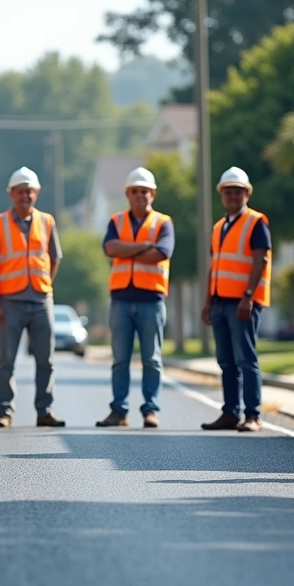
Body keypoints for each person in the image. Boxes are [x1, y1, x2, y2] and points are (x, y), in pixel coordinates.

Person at [0, 167, 65, 428]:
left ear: (37, 193)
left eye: (29, 191)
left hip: (41, 299)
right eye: (20, 191)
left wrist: (45, 284)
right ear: (11, 193)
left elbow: (54, 257)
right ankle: (5, 412)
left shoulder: (47, 221)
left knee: (46, 360)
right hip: (9, 302)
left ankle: (45, 411)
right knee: (6, 360)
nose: (25, 196)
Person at [97, 167, 173, 428]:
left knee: (152, 359)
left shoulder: (163, 223)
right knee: (120, 359)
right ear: (127, 194)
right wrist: (143, 246)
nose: (140, 195)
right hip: (121, 300)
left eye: (145, 191)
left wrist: (126, 250)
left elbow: (161, 253)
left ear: (153, 194)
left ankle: (150, 410)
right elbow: (110, 248)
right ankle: (119, 411)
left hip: (151, 300)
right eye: (135, 191)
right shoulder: (116, 221)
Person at [199, 166, 271, 433]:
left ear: (247, 194)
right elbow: (215, 266)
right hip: (220, 302)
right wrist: (208, 301)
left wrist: (248, 297)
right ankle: (230, 412)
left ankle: (252, 415)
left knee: (246, 360)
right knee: (226, 361)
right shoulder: (219, 227)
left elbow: (260, 260)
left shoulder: (256, 222)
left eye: (237, 191)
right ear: (221, 195)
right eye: (228, 191)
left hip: (243, 303)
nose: (232, 196)